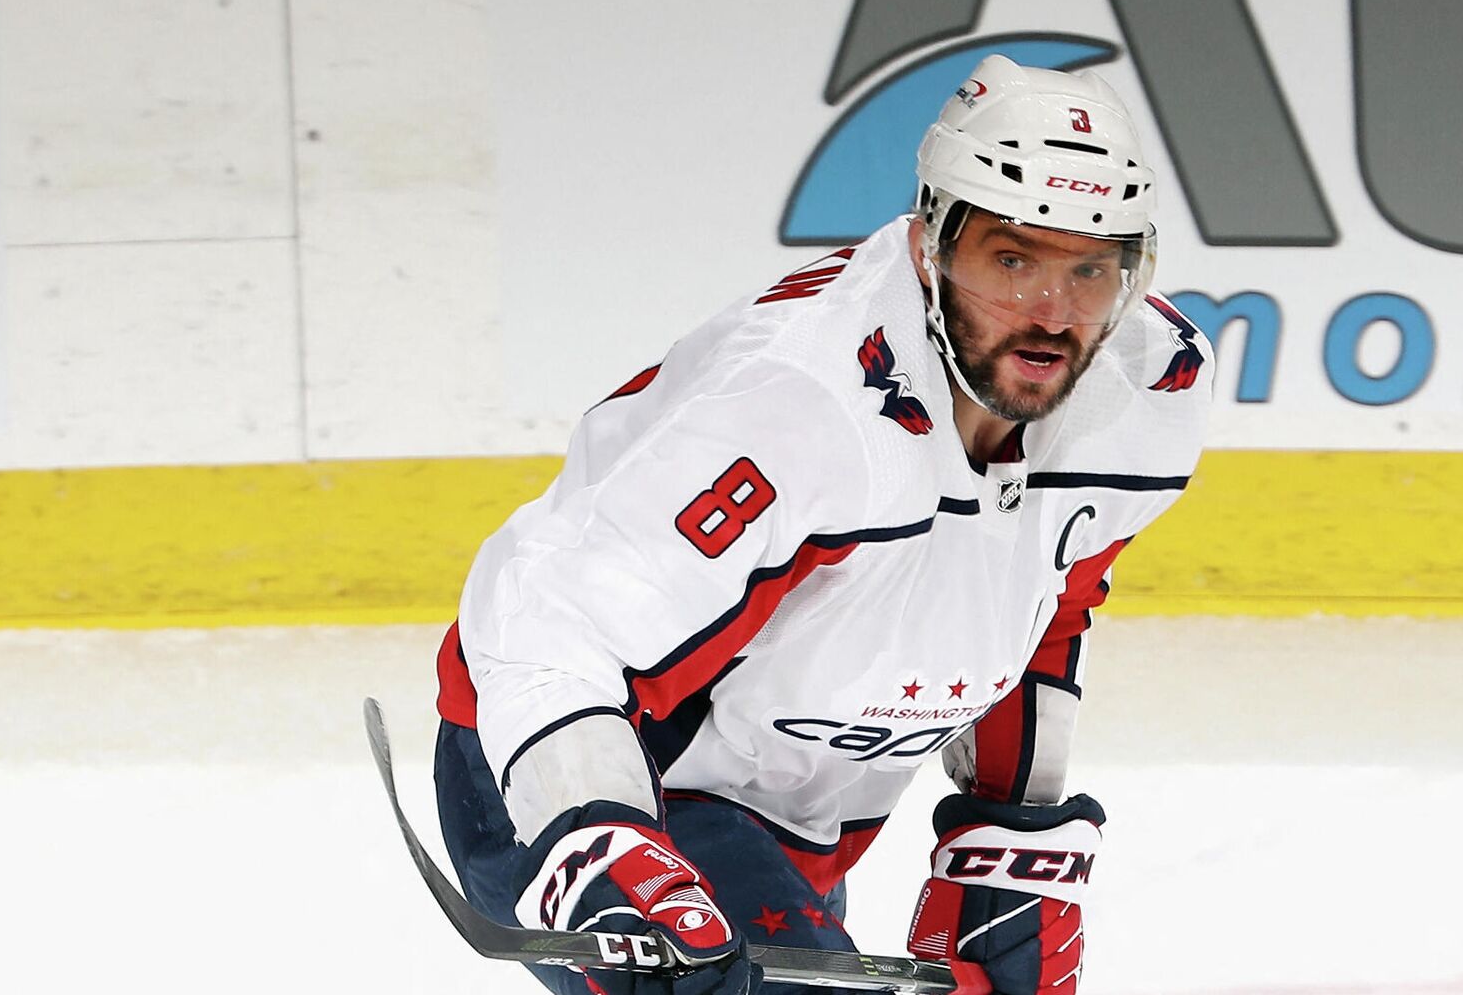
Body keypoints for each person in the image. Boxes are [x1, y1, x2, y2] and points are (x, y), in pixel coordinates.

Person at [431, 54, 1213, 995]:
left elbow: (1051, 600)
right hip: (574, 764)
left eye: (1090, 270)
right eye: (1012, 260)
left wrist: (1012, 832)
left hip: (796, 811)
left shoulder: (1148, 385)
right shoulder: (801, 401)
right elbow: (550, 621)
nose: (1050, 315)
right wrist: (596, 841)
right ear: (931, 243)